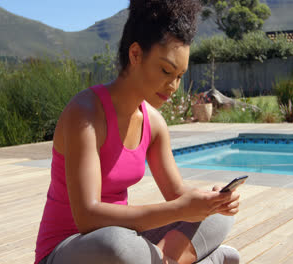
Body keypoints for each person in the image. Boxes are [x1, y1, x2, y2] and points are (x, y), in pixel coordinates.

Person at [34, 1, 241, 263]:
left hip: (129, 239)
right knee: (117, 245)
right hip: (72, 248)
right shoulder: (85, 114)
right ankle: (191, 258)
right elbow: (88, 217)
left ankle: (165, 258)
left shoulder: (153, 123)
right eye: (166, 70)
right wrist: (179, 209)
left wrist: (213, 201)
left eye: (179, 75)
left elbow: (177, 193)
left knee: (217, 218)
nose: (174, 85)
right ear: (135, 55)